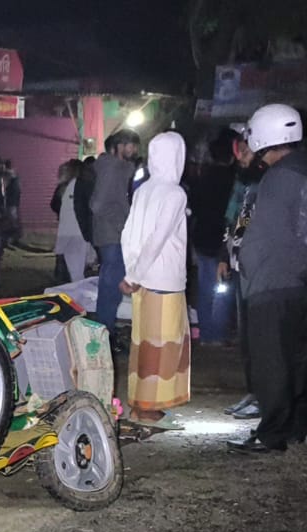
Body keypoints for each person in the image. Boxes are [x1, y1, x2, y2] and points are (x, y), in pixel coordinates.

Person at [229, 104, 307, 454]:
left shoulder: (278, 178)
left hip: (272, 280)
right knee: (302, 358)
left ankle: (271, 435)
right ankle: (298, 426)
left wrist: (246, 265)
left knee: (271, 362)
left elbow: (264, 233)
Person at [119, 132, 191, 428]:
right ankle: (148, 409)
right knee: (162, 345)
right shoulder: (175, 194)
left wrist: (131, 273)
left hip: (142, 279)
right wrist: (135, 273)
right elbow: (158, 238)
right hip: (164, 278)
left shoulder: (143, 190)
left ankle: (140, 404)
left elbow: (128, 234)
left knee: (144, 341)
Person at [218, 128, 264, 419]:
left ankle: (263, 394)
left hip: (259, 268)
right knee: (246, 335)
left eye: (245, 152)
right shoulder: (242, 182)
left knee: (259, 334)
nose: (241, 158)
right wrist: (224, 256)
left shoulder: (268, 182)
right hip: (239, 265)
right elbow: (232, 219)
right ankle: (253, 390)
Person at [90, 129, 141, 343]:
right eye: (131, 145)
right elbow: (97, 204)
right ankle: (105, 334)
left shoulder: (120, 168)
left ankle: (106, 331)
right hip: (112, 234)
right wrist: (122, 222)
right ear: (119, 146)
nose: (134, 149)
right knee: (111, 287)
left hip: (114, 233)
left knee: (111, 287)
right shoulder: (111, 168)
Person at [187, 129, 238, 345]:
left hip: (202, 237)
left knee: (206, 285)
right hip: (223, 239)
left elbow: (195, 206)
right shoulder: (234, 180)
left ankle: (207, 332)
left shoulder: (203, 177)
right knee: (222, 288)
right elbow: (237, 214)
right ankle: (217, 333)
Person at [51, 160, 89, 283]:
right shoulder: (78, 186)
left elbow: (58, 207)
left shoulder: (67, 188)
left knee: (74, 271)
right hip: (77, 233)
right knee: (76, 271)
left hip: (71, 233)